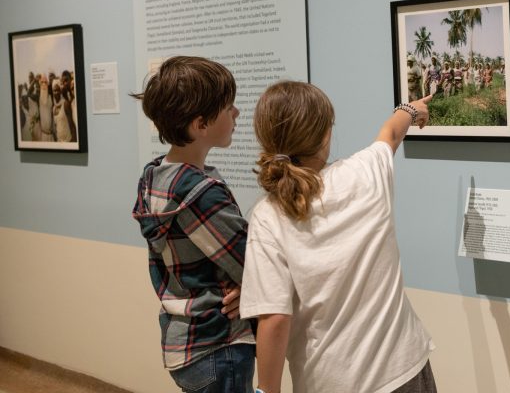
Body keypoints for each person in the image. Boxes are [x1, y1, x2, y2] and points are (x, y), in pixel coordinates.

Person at [240, 81, 437, 393]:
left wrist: (267, 391)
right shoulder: (365, 173)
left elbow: (274, 319)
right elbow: (391, 132)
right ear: (325, 135)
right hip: (402, 370)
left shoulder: (268, 216)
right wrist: (411, 110)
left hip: (329, 381)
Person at [130, 56, 256, 392]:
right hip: (219, 344)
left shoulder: (155, 176)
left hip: (183, 340)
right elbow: (253, 265)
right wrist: (252, 286)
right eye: (228, 107)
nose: (237, 114)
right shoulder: (200, 193)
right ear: (200, 125)